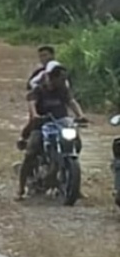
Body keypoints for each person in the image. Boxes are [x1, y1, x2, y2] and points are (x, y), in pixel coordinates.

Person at [16, 62, 87, 200]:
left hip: (61, 124)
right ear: (52, 78)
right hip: (42, 124)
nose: (64, 81)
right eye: (61, 79)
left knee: (76, 144)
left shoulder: (63, 90)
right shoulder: (38, 90)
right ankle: (20, 189)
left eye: (64, 79)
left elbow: (72, 102)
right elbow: (32, 105)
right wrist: (35, 115)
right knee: (30, 153)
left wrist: (80, 115)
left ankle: (74, 186)